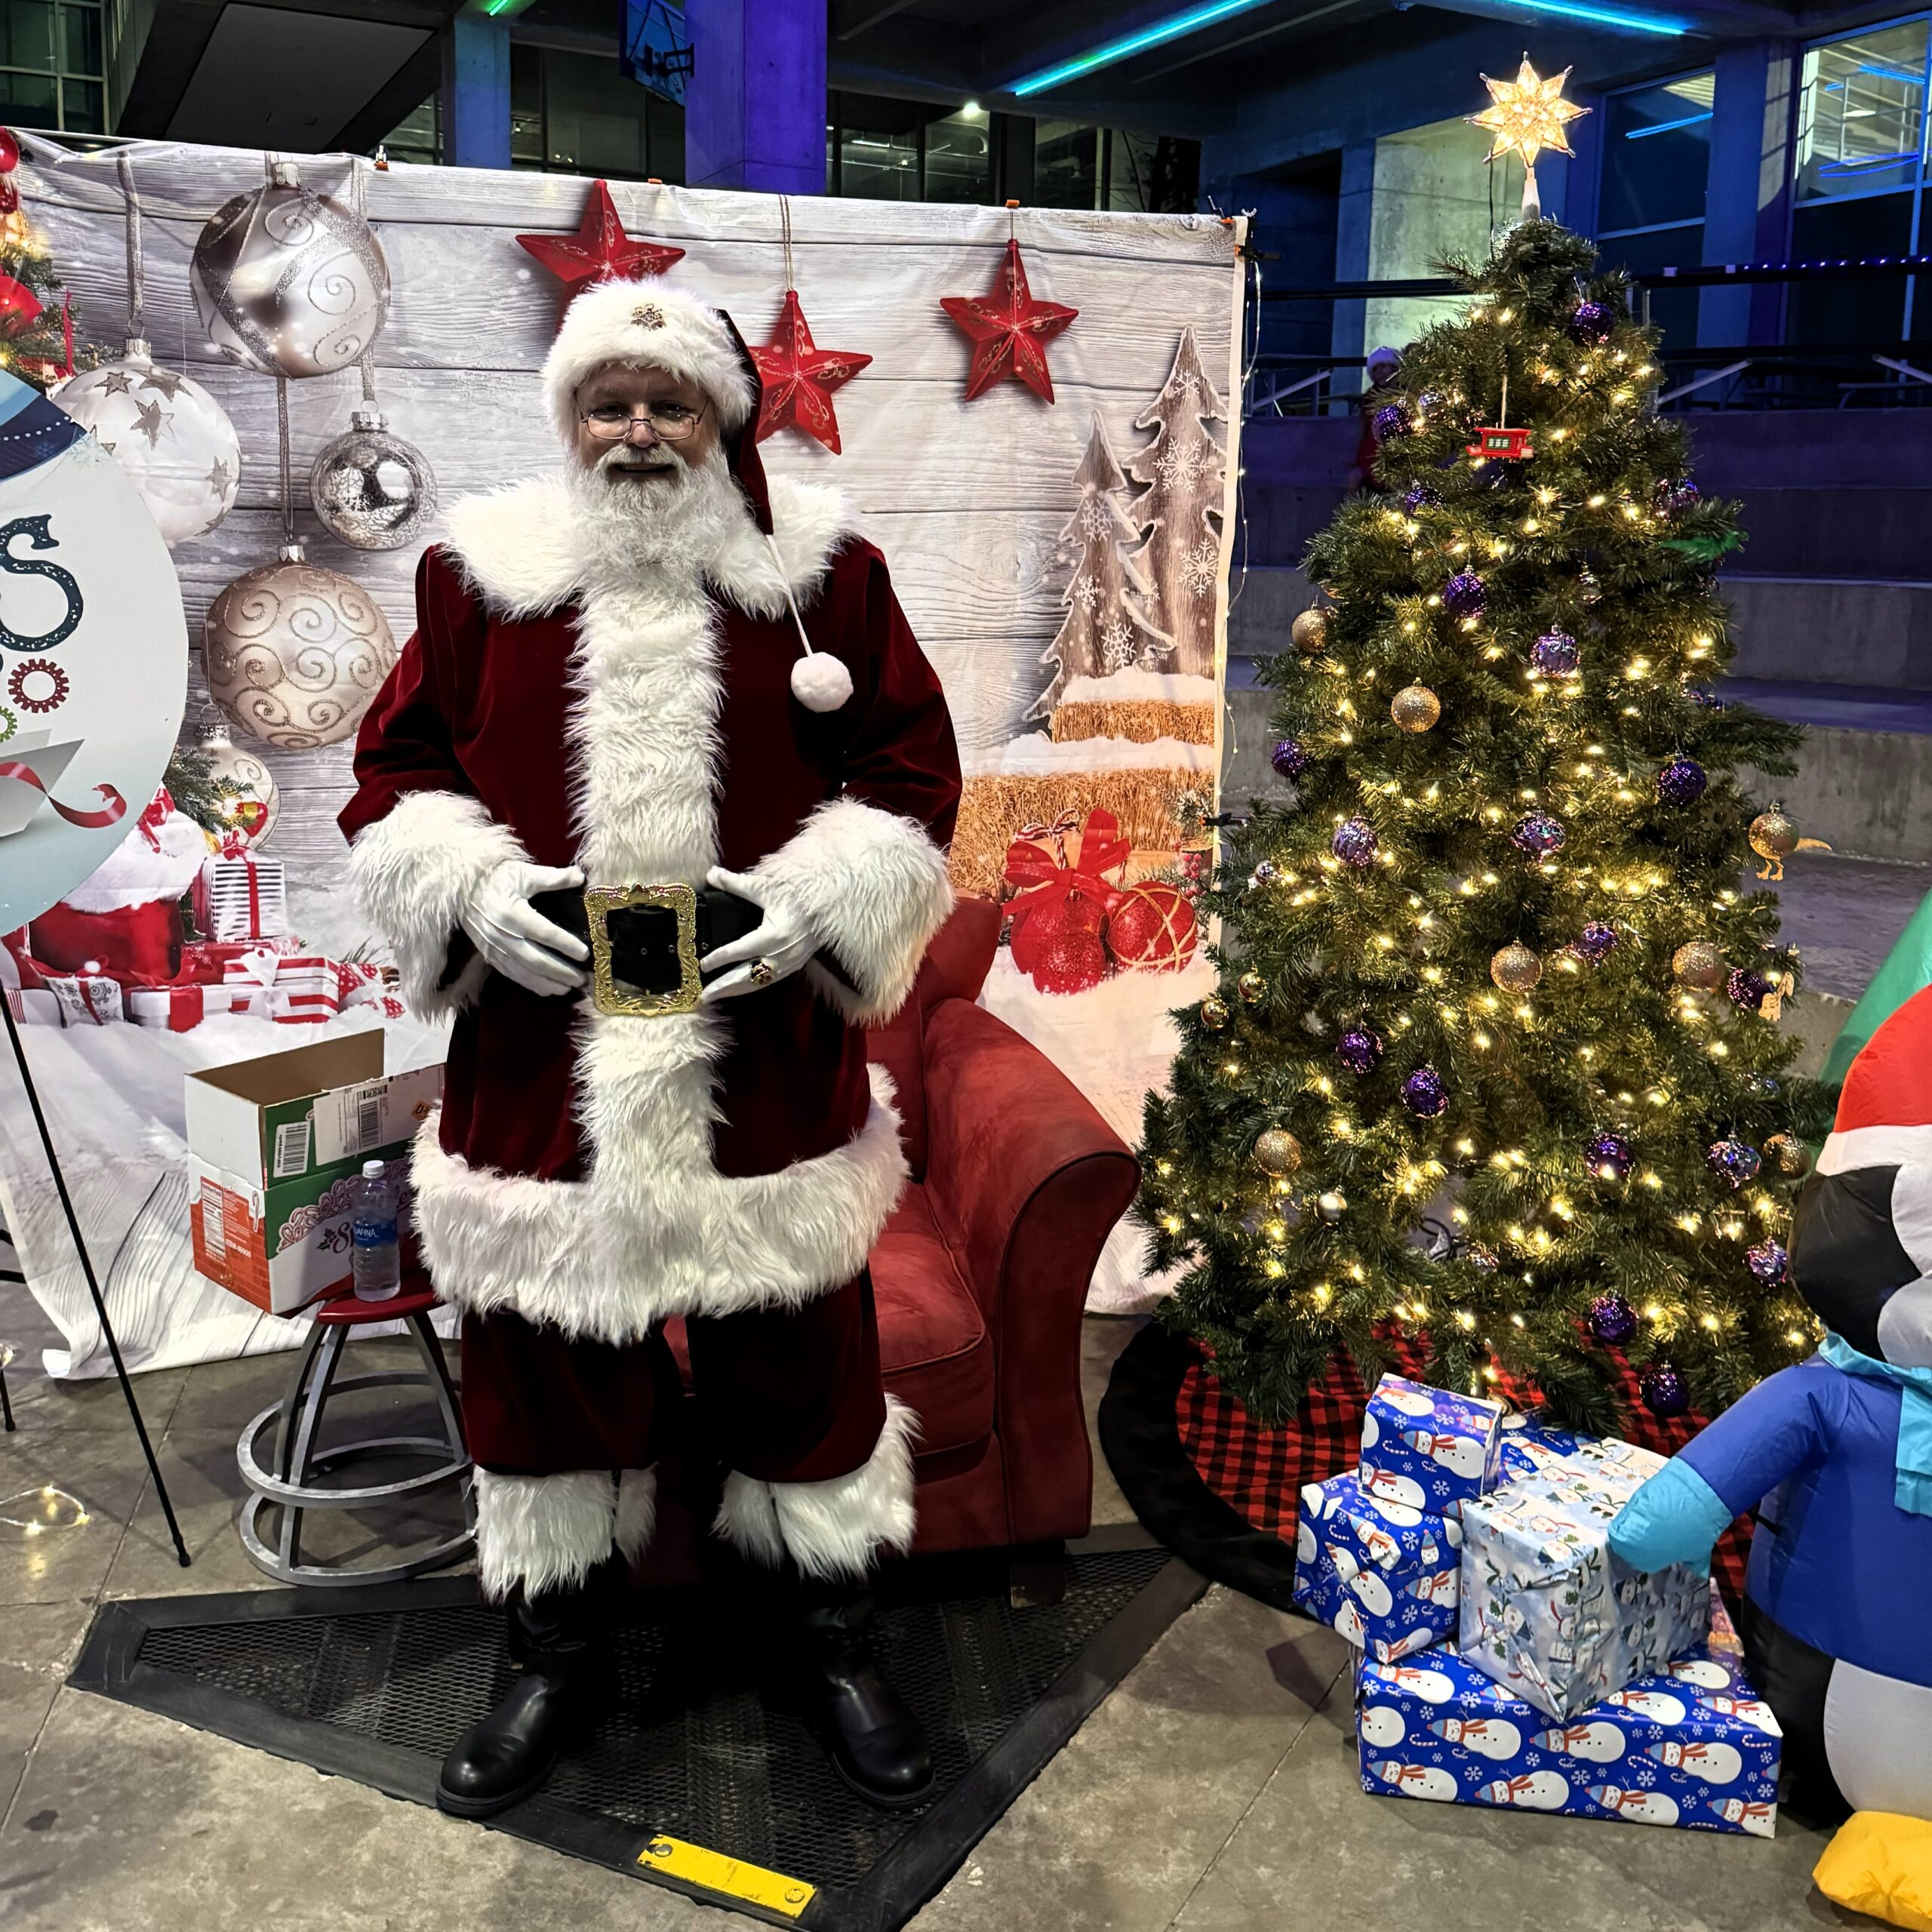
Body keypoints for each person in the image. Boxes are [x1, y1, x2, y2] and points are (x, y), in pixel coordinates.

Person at [339, 280, 961, 1819]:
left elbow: (908, 771)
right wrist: (472, 892)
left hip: (763, 1037)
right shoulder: (475, 576)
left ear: (720, 421)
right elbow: (394, 771)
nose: (636, 431)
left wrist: (817, 900)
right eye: (607, 403)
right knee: (543, 1359)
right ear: (569, 418)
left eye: (667, 403)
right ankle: (551, 1653)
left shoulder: (824, 580)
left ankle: (827, 1639)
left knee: (800, 1349)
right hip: (538, 1042)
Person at [1346, 345, 1403, 494]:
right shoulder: (1369, 400)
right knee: (1354, 479)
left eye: (1383, 367)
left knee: (1398, 484)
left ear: (1394, 367)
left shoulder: (1405, 395)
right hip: (1372, 455)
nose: (1380, 373)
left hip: (1398, 454)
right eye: (1375, 370)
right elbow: (1364, 432)